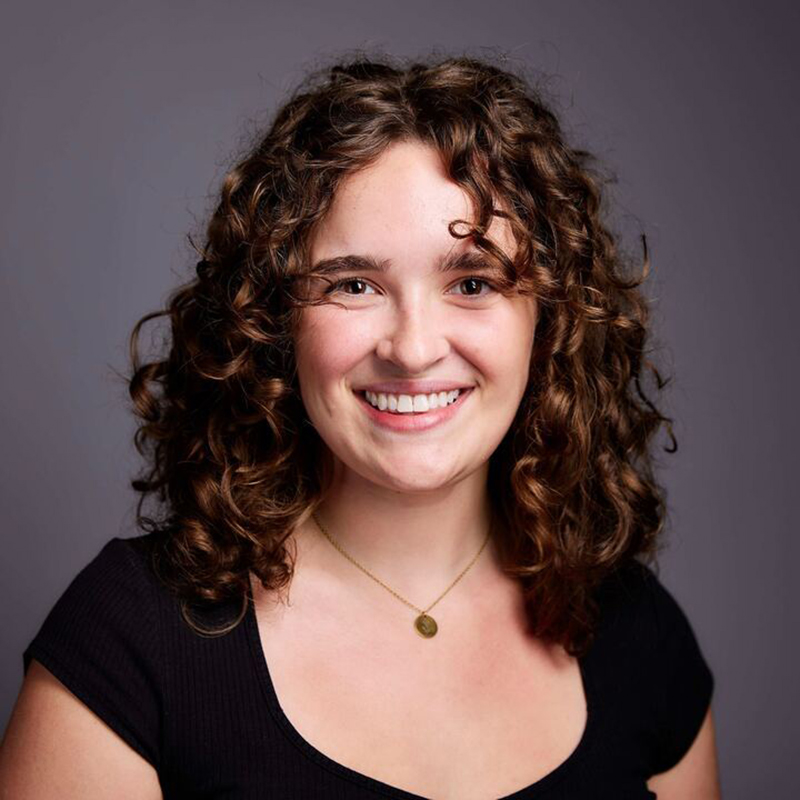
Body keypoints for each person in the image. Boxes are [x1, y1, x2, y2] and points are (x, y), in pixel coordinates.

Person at [0, 53, 721, 798]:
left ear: (549, 322)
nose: (412, 349)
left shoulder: (641, 636)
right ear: (275, 323)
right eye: (353, 284)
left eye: (472, 282)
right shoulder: (131, 636)